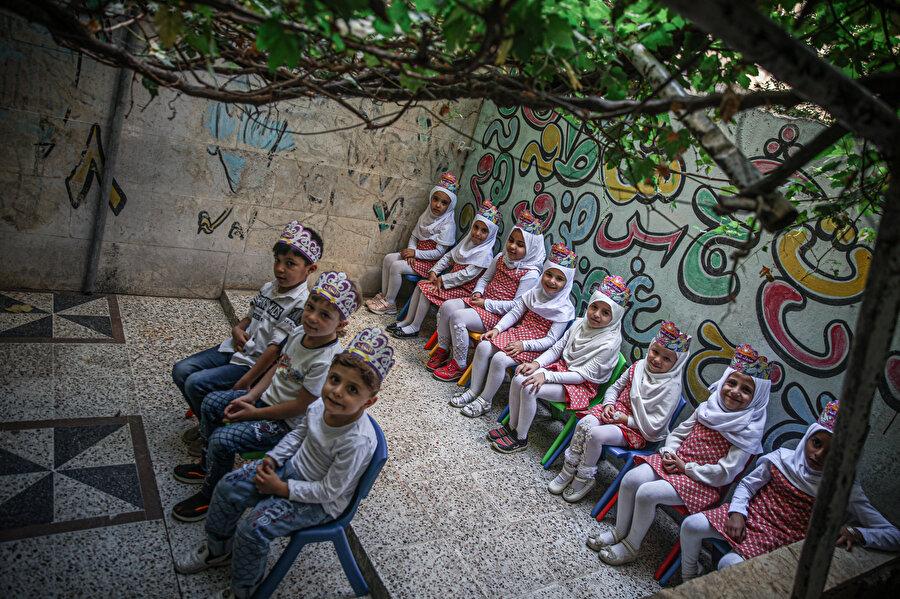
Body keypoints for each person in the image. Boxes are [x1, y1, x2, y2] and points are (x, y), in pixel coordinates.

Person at [174, 327, 394, 599]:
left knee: (252, 529)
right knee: (228, 486)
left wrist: (282, 489)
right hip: (290, 468)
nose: (337, 392)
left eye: (352, 389)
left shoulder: (357, 442)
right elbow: (299, 434)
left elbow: (329, 491)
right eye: (334, 379)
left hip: (320, 503)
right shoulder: (320, 405)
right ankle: (218, 551)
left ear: (369, 402)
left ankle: (243, 591)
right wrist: (274, 457)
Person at [171, 271, 359, 522]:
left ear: (341, 324)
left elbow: (299, 407)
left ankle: (210, 495)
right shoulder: (299, 332)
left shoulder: (326, 360)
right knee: (210, 403)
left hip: (285, 424)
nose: (312, 317)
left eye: (325, 315)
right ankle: (208, 466)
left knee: (221, 439)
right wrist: (251, 396)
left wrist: (254, 413)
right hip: (265, 402)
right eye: (310, 307)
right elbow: (279, 366)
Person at [589, 344, 772, 566]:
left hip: (701, 482)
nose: (735, 391)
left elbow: (725, 472)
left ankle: (631, 546)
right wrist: (669, 451)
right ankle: (618, 531)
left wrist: (687, 469)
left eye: (746, 390)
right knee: (631, 479)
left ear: (758, 397)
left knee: (647, 493)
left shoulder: (748, 431)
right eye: (731, 383)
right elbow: (679, 433)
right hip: (675, 462)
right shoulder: (708, 407)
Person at [679, 399, 900, 580]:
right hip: (749, 518)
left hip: (783, 541)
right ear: (808, 437)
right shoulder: (782, 459)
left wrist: (858, 533)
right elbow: (747, 485)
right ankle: (689, 576)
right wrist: (737, 512)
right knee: (691, 525)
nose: (819, 455)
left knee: (728, 564)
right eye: (816, 443)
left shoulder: (845, 490)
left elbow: (894, 536)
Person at [172, 221, 321, 455]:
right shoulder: (269, 287)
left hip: (253, 364)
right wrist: (237, 330)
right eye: (277, 260)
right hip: (235, 348)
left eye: (290, 263)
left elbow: (274, 350)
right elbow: (250, 317)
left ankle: (209, 435)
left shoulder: (301, 305)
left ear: (310, 269)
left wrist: (246, 382)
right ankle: (206, 424)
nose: (280, 269)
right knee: (182, 370)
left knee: (195, 383)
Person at [549, 319, 689, 504]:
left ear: (677, 363)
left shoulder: (671, 388)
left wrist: (626, 420)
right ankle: (568, 469)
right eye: (655, 352)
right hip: (614, 411)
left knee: (596, 435)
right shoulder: (639, 367)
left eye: (666, 359)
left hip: (635, 429)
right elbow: (615, 388)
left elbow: (655, 424)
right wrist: (608, 404)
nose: (657, 360)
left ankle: (584, 477)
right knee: (584, 424)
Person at [488, 276, 629, 455]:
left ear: (615, 317)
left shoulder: (609, 343)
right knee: (519, 377)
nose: (596, 314)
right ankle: (512, 426)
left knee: (530, 388)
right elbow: (557, 349)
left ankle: (520, 437)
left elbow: (581, 377)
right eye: (594, 307)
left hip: (581, 386)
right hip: (561, 369)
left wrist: (545, 375)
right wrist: (536, 364)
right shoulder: (580, 324)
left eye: (605, 313)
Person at [450, 242, 577, 418]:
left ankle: (485, 400)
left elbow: (551, 340)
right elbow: (515, 313)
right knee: (484, 346)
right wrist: (497, 329)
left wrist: (524, 345)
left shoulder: (565, 309)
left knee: (500, 359)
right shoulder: (534, 293)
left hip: (536, 348)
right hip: (517, 334)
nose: (551, 281)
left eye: (559, 279)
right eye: (549, 274)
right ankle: (473, 390)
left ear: (567, 282)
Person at [430, 210, 545, 381]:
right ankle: (443, 349)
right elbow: (484, 279)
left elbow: (516, 306)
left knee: (458, 318)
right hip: (482, 302)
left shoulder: (531, 274)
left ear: (532, 249)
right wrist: (478, 292)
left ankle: (459, 365)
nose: (512, 246)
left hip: (498, 315)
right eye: (511, 240)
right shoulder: (501, 258)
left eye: (520, 244)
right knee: (447, 307)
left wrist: (485, 303)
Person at [388, 201, 500, 339]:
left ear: (491, 234)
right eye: (476, 227)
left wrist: (443, 279)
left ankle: (415, 327)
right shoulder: (467, 243)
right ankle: (407, 321)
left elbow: (466, 275)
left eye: (484, 231)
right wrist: (434, 271)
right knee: (421, 285)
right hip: (451, 283)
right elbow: (448, 257)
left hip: (464, 290)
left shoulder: (485, 254)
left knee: (427, 291)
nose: (477, 233)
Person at [366, 172, 458, 315]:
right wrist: (411, 251)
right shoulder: (426, 215)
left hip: (430, 263)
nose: (438, 205)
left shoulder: (448, 225)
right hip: (416, 255)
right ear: (431, 198)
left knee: (397, 266)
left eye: (444, 203)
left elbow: (439, 253)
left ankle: (390, 303)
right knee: (389, 258)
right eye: (435, 199)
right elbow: (414, 236)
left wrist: (415, 253)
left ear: (450, 206)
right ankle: (384, 295)